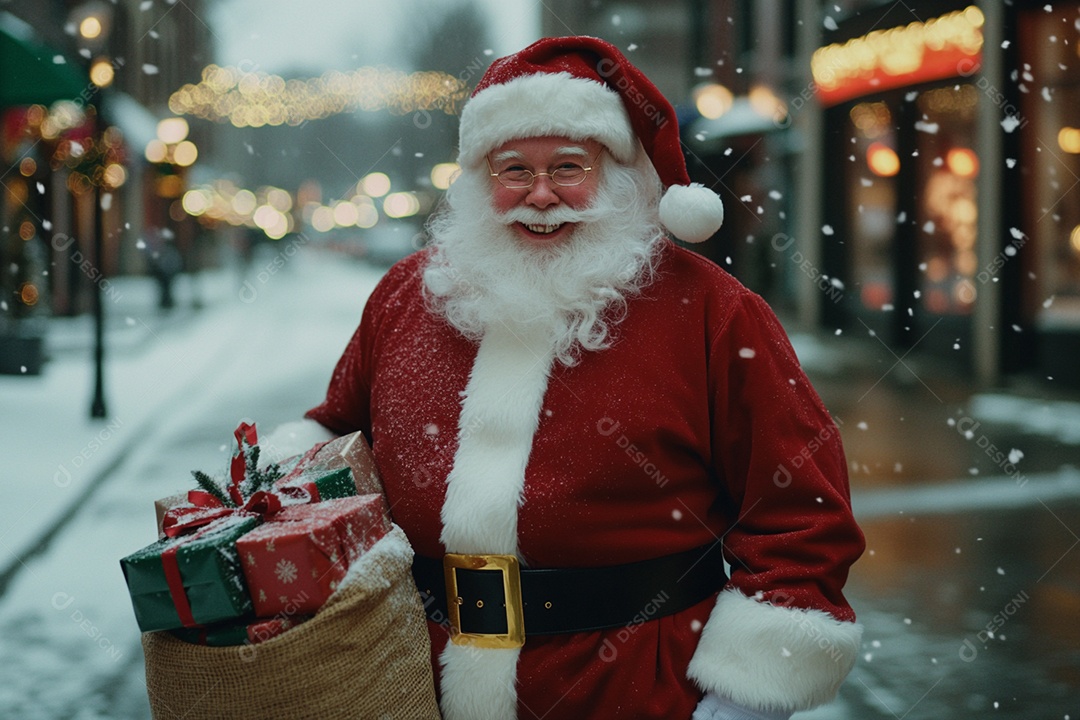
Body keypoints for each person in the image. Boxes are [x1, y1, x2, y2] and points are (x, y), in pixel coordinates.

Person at [270, 36, 864, 720]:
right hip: (416, 684)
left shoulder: (712, 312)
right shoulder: (408, 296)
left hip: (638, 686)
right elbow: (333, 442)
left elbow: (801, 514)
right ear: (478, 179)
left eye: (569, 167)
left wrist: (742, 701)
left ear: (617, 174)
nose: (541, 195)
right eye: (514, 168)